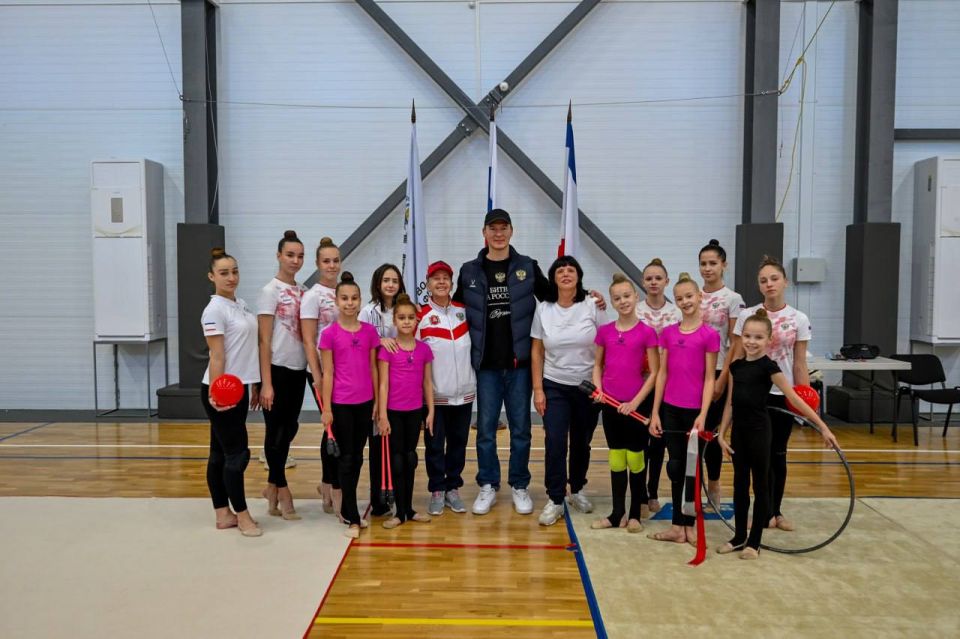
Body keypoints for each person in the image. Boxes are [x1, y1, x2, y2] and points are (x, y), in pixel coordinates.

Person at [717, 309, 838, 559]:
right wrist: (721, 434)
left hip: (760, 433)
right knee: (740, 485)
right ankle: (739, 537)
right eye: (747, 336)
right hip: (739, 433)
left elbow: (794, 398)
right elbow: (730, 403)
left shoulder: (768, 367)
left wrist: (823, 426)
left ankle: (754, 543)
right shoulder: (736, 367)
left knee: (760, 485)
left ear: (769, 340)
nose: (751, 341)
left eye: (758, 337)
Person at [453, 209, 549, 516]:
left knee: (521, 429)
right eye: (492, 228)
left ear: (511, 231)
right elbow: (452, 308)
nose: (498, 233)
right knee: (485, 430)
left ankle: (519, 484)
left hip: (519, 366)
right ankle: (488, 485)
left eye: (503, 228)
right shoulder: (469, 270)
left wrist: (588, 297)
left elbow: (554, 296)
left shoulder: (527, 267)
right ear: (484, 233)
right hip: (486, 367)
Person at [731, 256, 812, 532]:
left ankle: (775, 512)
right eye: (763, 280)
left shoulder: (799, 318)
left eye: (774, 279)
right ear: (759, 285)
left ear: (785, 282)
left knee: (777, 454)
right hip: (753, 395)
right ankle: (758, 513)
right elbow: (737, 356)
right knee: (755, 458)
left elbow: (799, 363)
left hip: (782, 394)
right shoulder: (748, 316)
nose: (769, 284)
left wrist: (805, 401)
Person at [531, 256, 604, 526]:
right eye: (560, 270)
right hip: (554, 385)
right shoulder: (544, 309)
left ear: (578, 276)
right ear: (553, 277)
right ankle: (555, 498)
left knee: (582, 442)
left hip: (587, 386)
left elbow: (605, 343)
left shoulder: (593, 304)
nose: (565, 274)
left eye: (571, 270)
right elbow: (537, 351)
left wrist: (601, 383)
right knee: (555, 441)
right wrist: (538, 389)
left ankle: (578, 488)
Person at [647, 273, 718, 545]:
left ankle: (691, 524)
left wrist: (703, 413)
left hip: (695, 412)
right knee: (675, 467)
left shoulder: (709, 335)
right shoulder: (668, 333)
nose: (685, 301)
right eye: (680, 298)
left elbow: (709, 378)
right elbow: (662, 374)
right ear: (675, 301)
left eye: (689, 296)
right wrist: (655, 412)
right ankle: (678, 526)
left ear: (699, 297)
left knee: (693, 468)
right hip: (671, 410)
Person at [200, 248, 262, 537]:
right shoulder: (214, 310)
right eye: (224, 273)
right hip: (222, 391)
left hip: (239, 387)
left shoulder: (241, 304)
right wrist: (216, 394)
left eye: (234, 271)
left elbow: (247, 350)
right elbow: (217, 356)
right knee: (238, 455)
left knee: (219, 453)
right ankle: (243, 515)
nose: (231, 277)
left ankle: (223, 514)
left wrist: (253, 383)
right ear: (211, 276)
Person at [591, 273, 659, 532]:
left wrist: (635, 402)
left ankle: (634, 515)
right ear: (612, 302)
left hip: (636, 406)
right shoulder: (605, 332)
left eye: (627, 296)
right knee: (617, 458)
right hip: (610, 405)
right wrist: (599, 390)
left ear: (636, 296)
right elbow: (597, 366)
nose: (623, 301)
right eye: (617, 298)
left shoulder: (647, 332)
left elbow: (655, 373)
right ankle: (616, 513)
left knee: (636, 458)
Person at [319, 272, 380, 539]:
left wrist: (377, 401)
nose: (350, 303)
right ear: (336, 301)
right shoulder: (329, 334)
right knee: (346, 459)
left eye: (354, 298)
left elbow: (374, 368)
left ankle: (348, 509)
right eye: (344, 298)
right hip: (341, 404)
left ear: (360, 300)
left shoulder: (369, 332)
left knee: (358, 457)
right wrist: (327, 409)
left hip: (365, 403)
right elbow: (328, 373)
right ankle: (352, 516)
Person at [417, 261, 476, 516]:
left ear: (451, 283)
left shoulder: (464, 311)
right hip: (435, 396)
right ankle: (437, 490)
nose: (441, 282)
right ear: (428, 284)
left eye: (445, 278)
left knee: (458, 444)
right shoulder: (419, 317)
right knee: (434, 445)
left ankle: (453, 487)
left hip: (464, 393)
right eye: (436, 278)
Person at [257, 230, 307, 520]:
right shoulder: (270, 291)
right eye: (290, 255)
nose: (295, 260)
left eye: (300, 256)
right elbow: (264, 339)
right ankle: (283, 490)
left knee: (290, 428)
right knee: (275, 432)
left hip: (298, 369)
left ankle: (270, 487)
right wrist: (265, 382)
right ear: (279, 256)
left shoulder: (303, 291)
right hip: (276, 369)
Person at [377, 293, 435, 528]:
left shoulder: (424, 350)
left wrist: (431, 411)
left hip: (414, 411)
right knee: (398, 461)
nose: (406, 321)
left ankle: (409, 510)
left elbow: (427, 383)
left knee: (410, 458)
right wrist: (382, 415)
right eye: (401, 318)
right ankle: (398, 512)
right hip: (393, 412)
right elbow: (383, 384)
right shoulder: (388, 349)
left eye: (411, 317)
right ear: (394, 320)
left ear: (416, 320)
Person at [698, 239, 745, 507]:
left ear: (724, 265)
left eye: (713, 263)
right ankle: (692, 488)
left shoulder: (733, 299)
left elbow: (735, 343)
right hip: (691, 372)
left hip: (717, 371)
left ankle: (714, 485)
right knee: (693, 432)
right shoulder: (693, 294)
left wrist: (723, 378)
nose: (707, 268)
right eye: (703, 264)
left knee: (712, 433)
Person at [635, 257, 681, 515]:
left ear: (666, 281)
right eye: (649, 278)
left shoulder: (676, 313)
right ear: (643, 282)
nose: (653, 282)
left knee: (659, 441)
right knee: (640, 440)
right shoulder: (636, 311)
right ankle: (640, 494)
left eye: (658, 278)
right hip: (641, 384)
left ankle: (652, 491)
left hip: (668, 383)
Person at [359, 263, 405, 517]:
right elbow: (360, 342)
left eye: (394, 280)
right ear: (378, 283)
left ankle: (398, 494)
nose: (390, 284)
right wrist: (379, 341)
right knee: (377, 442)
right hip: (375, 383)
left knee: (398, 444)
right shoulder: (368, 312)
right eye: (386, 280)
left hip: (400, 384)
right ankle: (378, 498)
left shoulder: (405, 310)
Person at [301, 236, 342, 519]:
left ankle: (327, 482)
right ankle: (331, 486)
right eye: (326, 261)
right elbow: (308, 339)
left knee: (336, 428)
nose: (331, 265)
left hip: (345, 372)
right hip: (322, 373)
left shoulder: (342, 292)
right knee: (332, 427)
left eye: (335, 261)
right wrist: (317, 375)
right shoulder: (312, 296)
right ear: (317, 264)